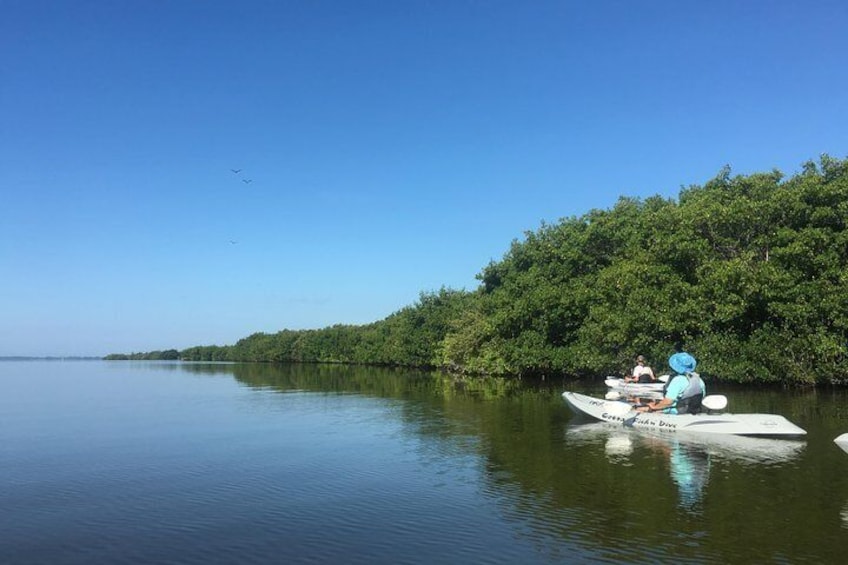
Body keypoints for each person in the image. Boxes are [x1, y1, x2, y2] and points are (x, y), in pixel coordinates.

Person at [636, 352, 705, 414]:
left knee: (640, 409)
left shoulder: (678, 380)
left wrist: (654, 407)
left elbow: (668, 402)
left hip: (676, 411)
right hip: (694, 410)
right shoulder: (699, 380)